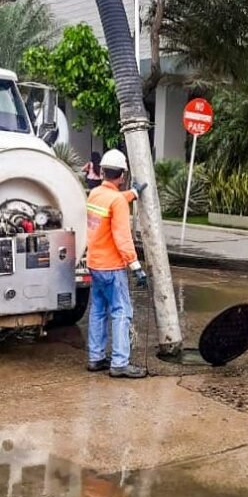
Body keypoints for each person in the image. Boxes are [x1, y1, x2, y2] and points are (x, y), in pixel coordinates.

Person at [85, 148, 148, 379]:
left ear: (102, 172)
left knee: (98, 311)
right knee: (122, 312)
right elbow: (123, 237)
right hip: (112, 267)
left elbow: (114, 200)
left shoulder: (94, 194)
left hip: (95, 264)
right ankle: (120, 363)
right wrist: (136, 267)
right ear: (122, 175)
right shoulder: (117, 201)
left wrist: (134, 193)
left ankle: (96, 358)